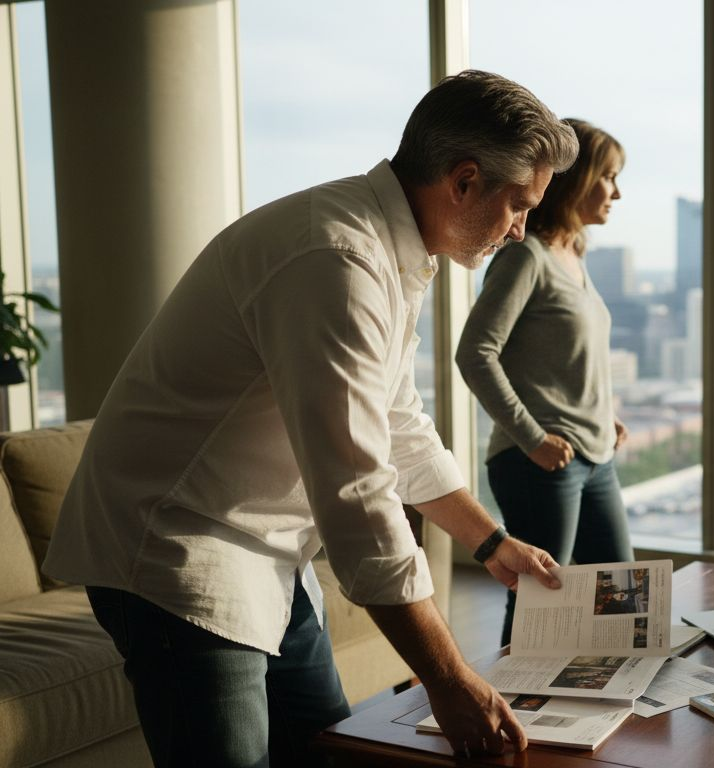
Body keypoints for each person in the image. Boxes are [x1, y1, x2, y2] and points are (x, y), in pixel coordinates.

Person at [42, 70, 578, 767]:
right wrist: (449, 680)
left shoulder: (395, 250)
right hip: (180, 554)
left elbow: (396, 421)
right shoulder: (338, 259)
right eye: (519, 206)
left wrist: (490, 542)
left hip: (267, 552)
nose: (521, 231)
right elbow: (358, 492)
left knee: (332, 752)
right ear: (465, 181)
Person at [455, 119, 633, 645]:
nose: (617, 193)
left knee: (619, 598)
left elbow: (560, 358)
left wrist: (604, 416)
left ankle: (613, 708)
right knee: (539, 600)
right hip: (540, 463)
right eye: (609, 177)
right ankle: (514, 713)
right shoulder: (525, 255)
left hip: (594, 457)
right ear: (576, 181)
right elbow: (475, 352)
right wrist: (533, 439)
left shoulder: (573, 256)